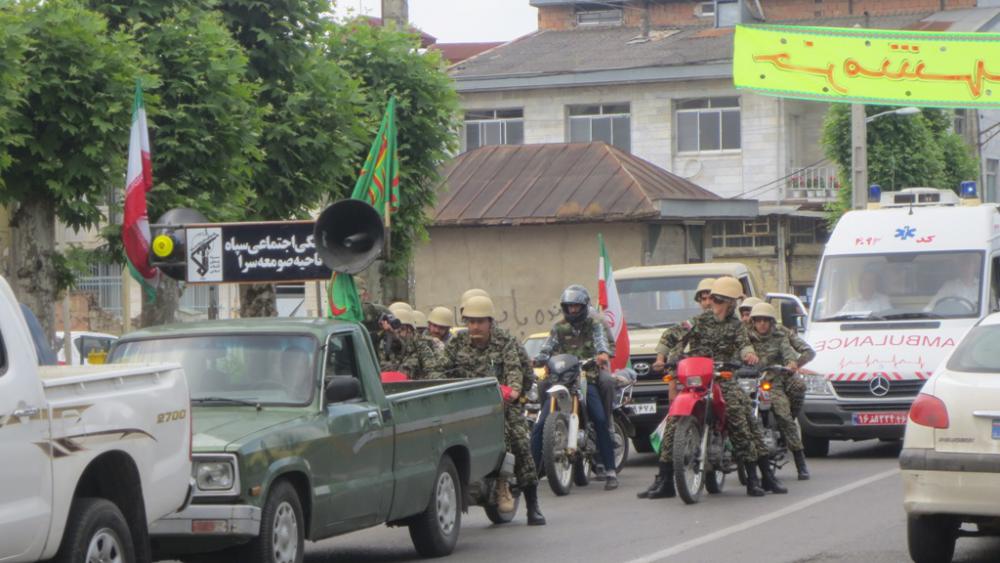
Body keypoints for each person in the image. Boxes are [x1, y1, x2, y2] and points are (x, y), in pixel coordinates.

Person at [639, 277, 786, 500]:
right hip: (696, 378)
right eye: (713, 300)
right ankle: (665, 479)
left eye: (719, 301)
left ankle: (760, 477)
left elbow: (744, 345)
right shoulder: (698, 321)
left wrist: (749, 355)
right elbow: (672, 334)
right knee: (673, 422)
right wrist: (661, 357)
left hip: (722, 377)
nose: (714, 304)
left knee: (741, 414)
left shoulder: (736, 326)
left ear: (730, 303)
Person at [441, 296, 545, 525]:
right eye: (470, 322)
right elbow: (440, 371)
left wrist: (513, 392)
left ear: (490, 322)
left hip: (502, 405)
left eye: (479, 322)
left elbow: (515, 373)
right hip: (465, 407)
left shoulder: (505, 341)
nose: (474, 327)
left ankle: (532, 505)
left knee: (519, 441)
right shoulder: (457, 344)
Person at [532, 285, 619, 491]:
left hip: (585, 376)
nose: (572, 310)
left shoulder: (595, 324)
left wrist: (602, 355)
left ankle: (610, 470)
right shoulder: (558, 327)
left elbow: (601, 343)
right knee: (540, 424)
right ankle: (531, 473)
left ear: (584, 306)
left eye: (576, 306)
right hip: (562, 378)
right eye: (569, 307)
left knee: (599, 419)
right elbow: (547, 348)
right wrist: (536, 360)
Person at [747, 302, 811, 480]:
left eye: (765, 320)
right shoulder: (745, 337)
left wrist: (791, 364)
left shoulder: (779, 336)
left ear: (771, 322)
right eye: (758, 320)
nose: (762, 324)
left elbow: (789, 354)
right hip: (747, 383)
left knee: (784, 415)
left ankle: (800, 461)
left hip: (772, 383)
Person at [651, 277, 718, 406]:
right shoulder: (694, 323)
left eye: (711, 298)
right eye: (704, 299)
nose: (708, 303)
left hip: (724, 376)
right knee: (677, 415)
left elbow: (745, 345)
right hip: (699, 377)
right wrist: (661, 360)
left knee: (737, 411)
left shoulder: (732, 322)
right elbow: (672, 337)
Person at [386, 309, 443, 380]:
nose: (397, 334)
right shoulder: (388, 347)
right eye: (394, 330)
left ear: (410, 330)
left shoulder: (421, 345)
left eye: (401, 330)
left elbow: (433, 371)